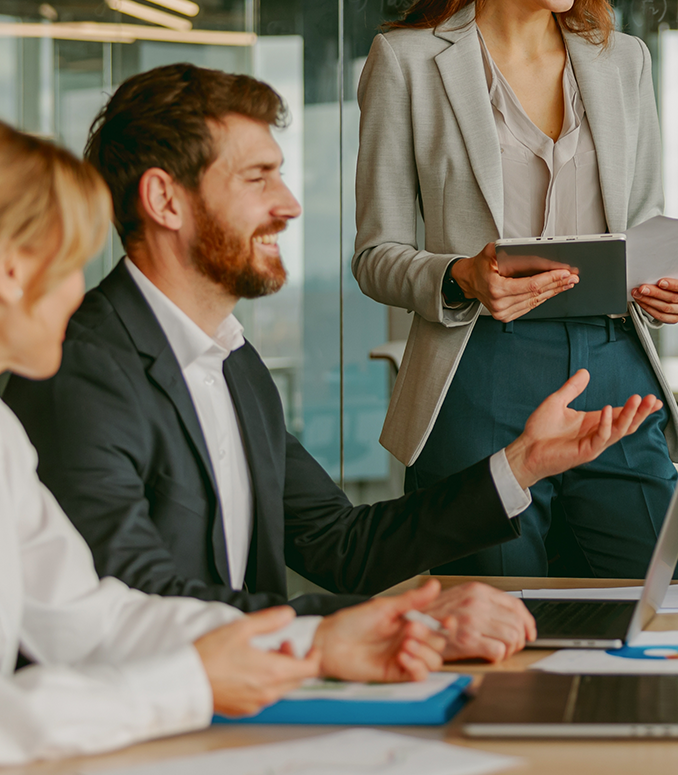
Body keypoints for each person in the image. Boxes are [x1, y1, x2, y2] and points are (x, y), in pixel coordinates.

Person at [6, 63, 662, 663]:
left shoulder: (231, 361)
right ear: (166, 201)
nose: (289, 204)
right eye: (258, 177)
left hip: (249, 706)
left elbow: (341, 546)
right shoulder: (79, 373)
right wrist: (399, 624)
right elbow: (139, 603)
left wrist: (522, 465)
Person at [0, 121, 456, 765]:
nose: (81, 290)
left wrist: (312, 643)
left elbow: (90, 617)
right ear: (14, 272)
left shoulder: (4, 439)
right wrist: (192, 682)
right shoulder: (84, 374)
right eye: (72, 262)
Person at [352, 0, 678, 578]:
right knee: (498, 630)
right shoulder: (408, 62)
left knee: (662, 611)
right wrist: (461, 277)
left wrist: (663, 281)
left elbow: (642, 225)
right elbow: (376, 258)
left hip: (615, 368)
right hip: (477, 370)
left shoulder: (622, 62)